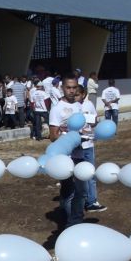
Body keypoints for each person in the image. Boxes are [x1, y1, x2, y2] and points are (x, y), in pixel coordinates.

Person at [49, 75, 87, 228]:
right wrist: (69, 135)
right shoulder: (56, 109)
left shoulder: (78, 106)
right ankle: (72, 224)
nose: (71, 91)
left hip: (79, 153)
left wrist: (85, 134)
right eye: (68, 87)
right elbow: (53, 136)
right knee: (69, 191)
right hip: (65, 157)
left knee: (82, 191)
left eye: (74, 88)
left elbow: (82, 127)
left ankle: (75, 220)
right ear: (62, 88)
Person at [78, 85, 106, 213]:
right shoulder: (71, 106)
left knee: (90, 173)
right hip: (76, 146)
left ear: (84, 94)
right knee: (77, 175)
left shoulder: (89, 104)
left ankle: (92, 201)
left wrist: (92, 122)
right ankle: (77, 202)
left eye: (79, 94)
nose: (76, 96)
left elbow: (94, 121)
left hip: (88, 144)